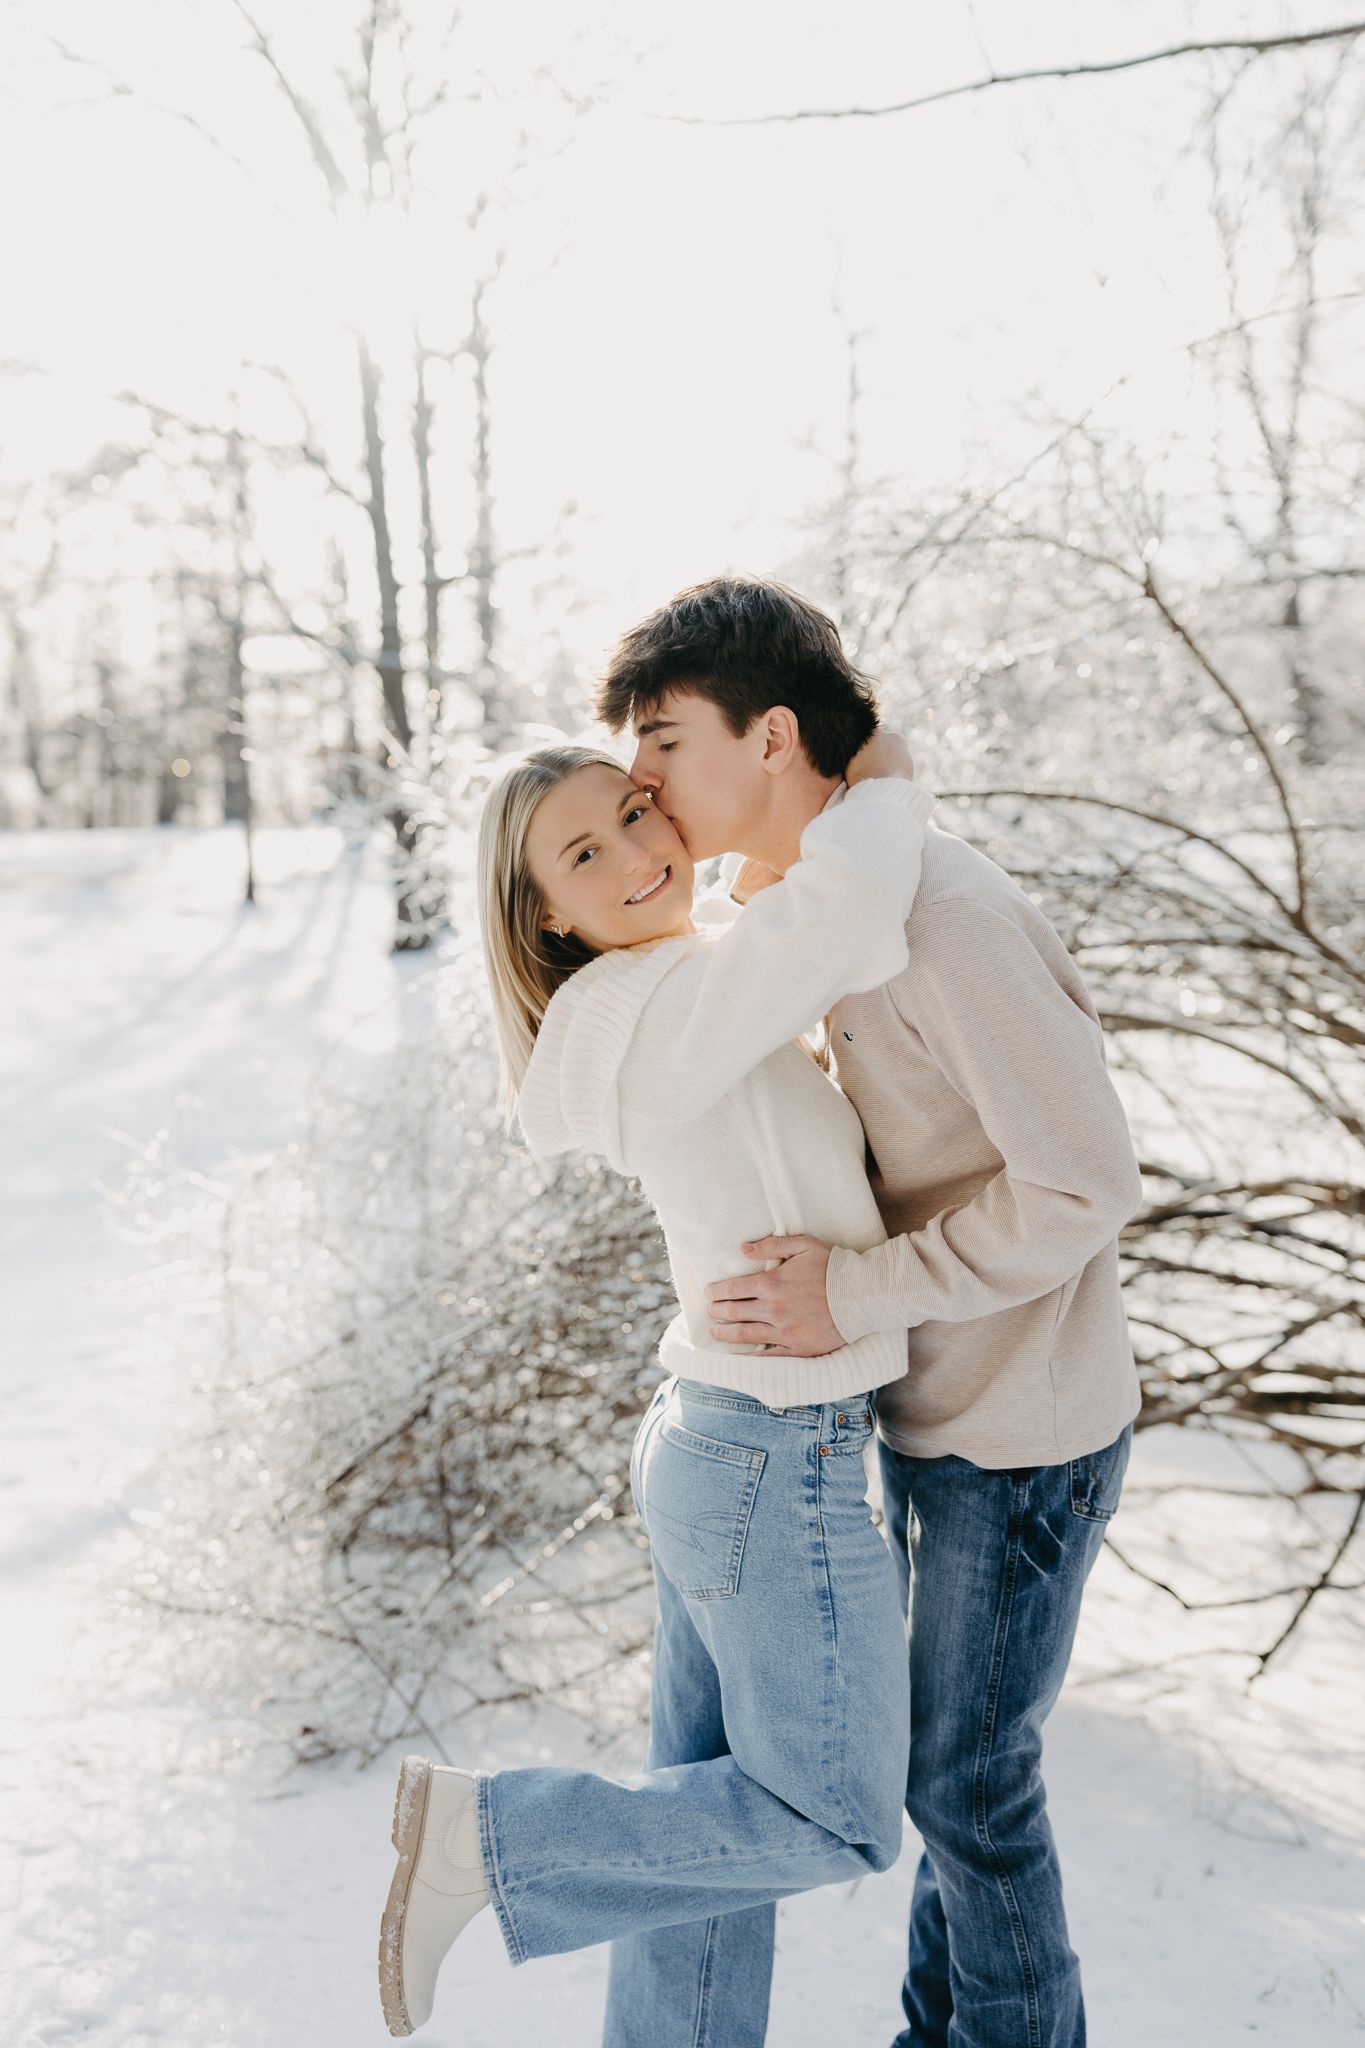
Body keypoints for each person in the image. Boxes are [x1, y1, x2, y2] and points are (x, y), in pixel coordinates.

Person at [595, 573, 1144, 2048]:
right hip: (920, 1408)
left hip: (1019, 1429)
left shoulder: (941, 919)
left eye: (661, 742)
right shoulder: (806, 907)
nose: (639, 784)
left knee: (965, 1781)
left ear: (769, 738)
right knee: (945, 1772)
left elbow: (1084, 1187)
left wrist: (853, 1291)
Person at [377, 718, 939, 2041]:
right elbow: (839, 914)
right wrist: (878, 777)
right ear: (546, 916)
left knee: (707, 1846)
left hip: (730, 1446)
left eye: (634, 810)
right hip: (770, 1460)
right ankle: (492, 1845)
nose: (637, 849)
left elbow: (781, 949)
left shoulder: (675, 987)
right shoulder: (648, 1012)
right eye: (585, 850)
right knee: (833, 1820)